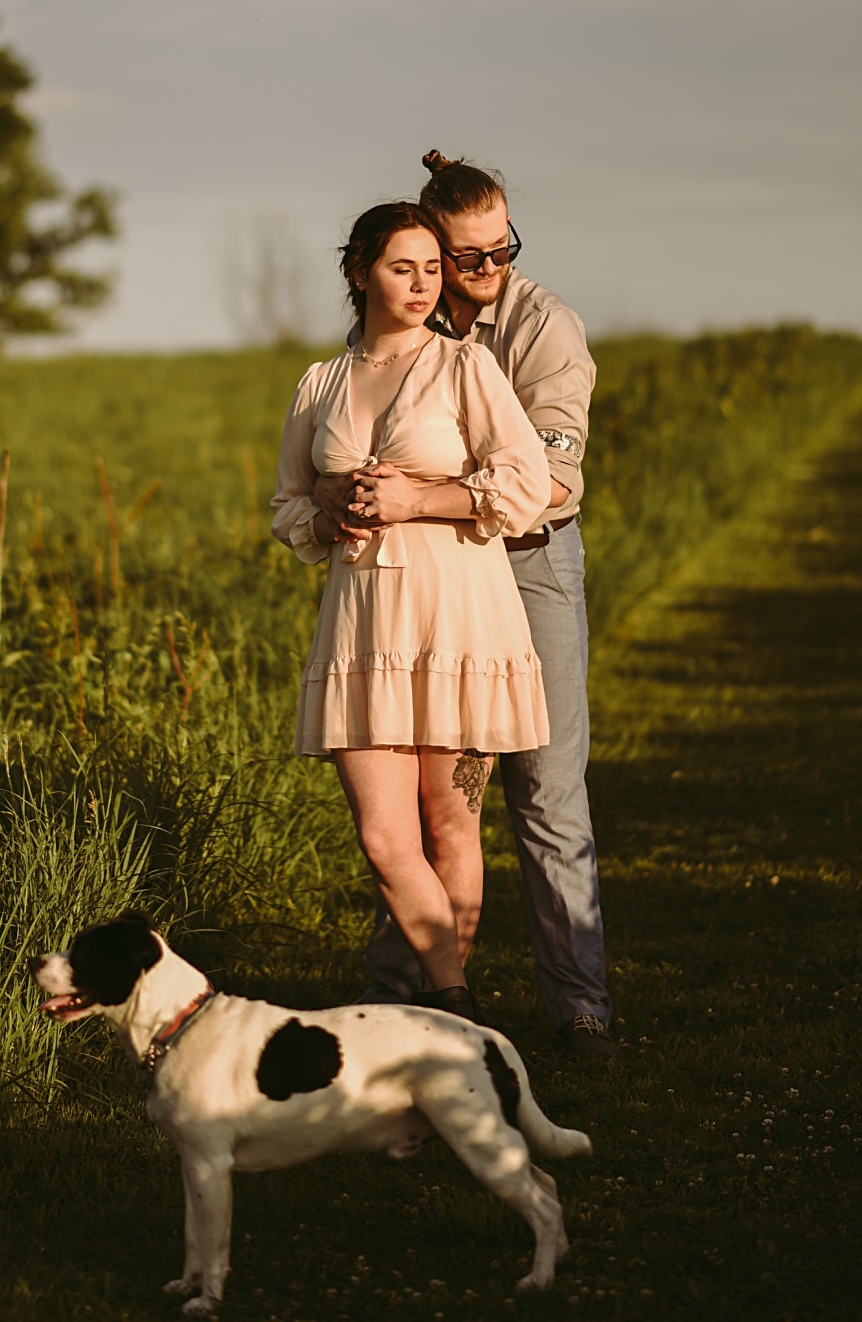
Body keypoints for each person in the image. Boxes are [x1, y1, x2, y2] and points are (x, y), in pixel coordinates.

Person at [312, 152, 618, 1063]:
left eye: (502, 249)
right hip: (424, 581)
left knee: (545, 788)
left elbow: (551, 482)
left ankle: (579, 1008)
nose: (489, 271)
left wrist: (415, 495)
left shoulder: (545, 327)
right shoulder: (405, 319)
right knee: (412, 799)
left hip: (527, 563)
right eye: (466, 255)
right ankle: (401, 989)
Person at [271, 202, 552, 1021]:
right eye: (405, 267)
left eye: (433, 267)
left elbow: (527, 485)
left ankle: (444, 1012)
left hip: (458, 613)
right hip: (363, 624)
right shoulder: (320, 382)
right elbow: (288, 501)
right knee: (385, 837)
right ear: (360, 272)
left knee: (450, 825)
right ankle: (455, 1006)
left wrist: (418, 497)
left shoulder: (466, 367)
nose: (425, 283)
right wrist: (329, 519)